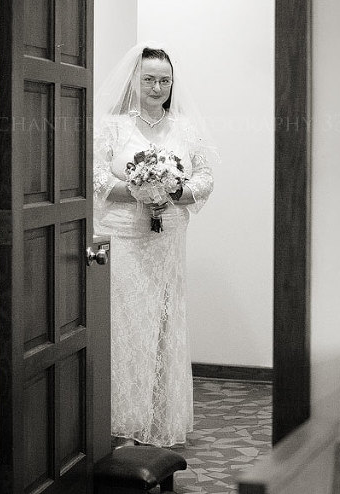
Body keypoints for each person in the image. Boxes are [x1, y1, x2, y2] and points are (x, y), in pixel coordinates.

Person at [93, 41, 216, 447]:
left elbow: (204, 179)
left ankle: (159, 415)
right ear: (135, 79)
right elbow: (96, 178)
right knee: (124, 324)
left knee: (163, 322)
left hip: (167, 242)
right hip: (124, 238)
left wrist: (173, 191)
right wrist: (140, 192)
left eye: (164, 80)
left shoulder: (185, 129)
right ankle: (120, 419)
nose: (157, 86)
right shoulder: (112, 127)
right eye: (149, 79)